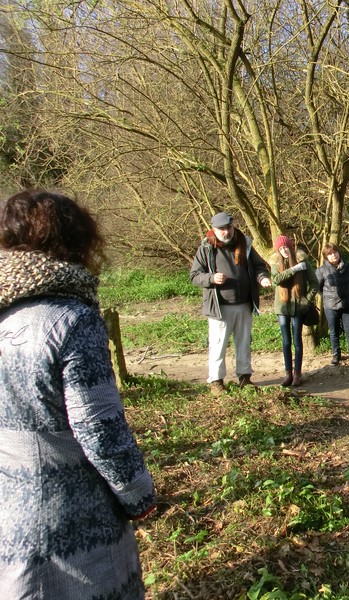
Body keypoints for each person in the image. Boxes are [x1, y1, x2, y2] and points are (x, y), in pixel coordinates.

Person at [0, 190, 156, 599]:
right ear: (77, 244)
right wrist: (138, 495)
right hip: (70, 514)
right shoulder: (73, 320)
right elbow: (99, 428)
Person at [190, 211, 271, 395]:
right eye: (222, 229)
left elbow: (259, 266)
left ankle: (245, 378)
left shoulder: (245, 243)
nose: (226, 232)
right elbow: (194, 276)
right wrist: (211, 278)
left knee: (244, 342)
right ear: (213, 229)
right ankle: (216, 382)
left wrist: (262, 278)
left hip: (244, 303)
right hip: (219, 307)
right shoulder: (206, 248)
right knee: (218, 344)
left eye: (228, 228)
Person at [269, 235, 318, 387]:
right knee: (286, 342)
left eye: (286, 247)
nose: (284, 251)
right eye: (281, 249)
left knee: (297, 341)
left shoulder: (302, 260)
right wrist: (294, 269)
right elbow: (276, 280)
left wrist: (306, 300)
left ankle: (297, 374)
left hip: (298, 307)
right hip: (282, 307)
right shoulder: (275, 263)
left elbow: (314, 283)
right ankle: (287, 374)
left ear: (291, 247)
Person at [316, 243, 349, 366]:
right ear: (326, 257)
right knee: (334, 331)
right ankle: (336, 355)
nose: (334, 255)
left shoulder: (348, 267)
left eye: (335, 252)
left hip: (347, 303)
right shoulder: (322, 270)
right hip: (330, 306)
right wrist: (328, 297)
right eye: (330, 254)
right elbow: (318, 288)